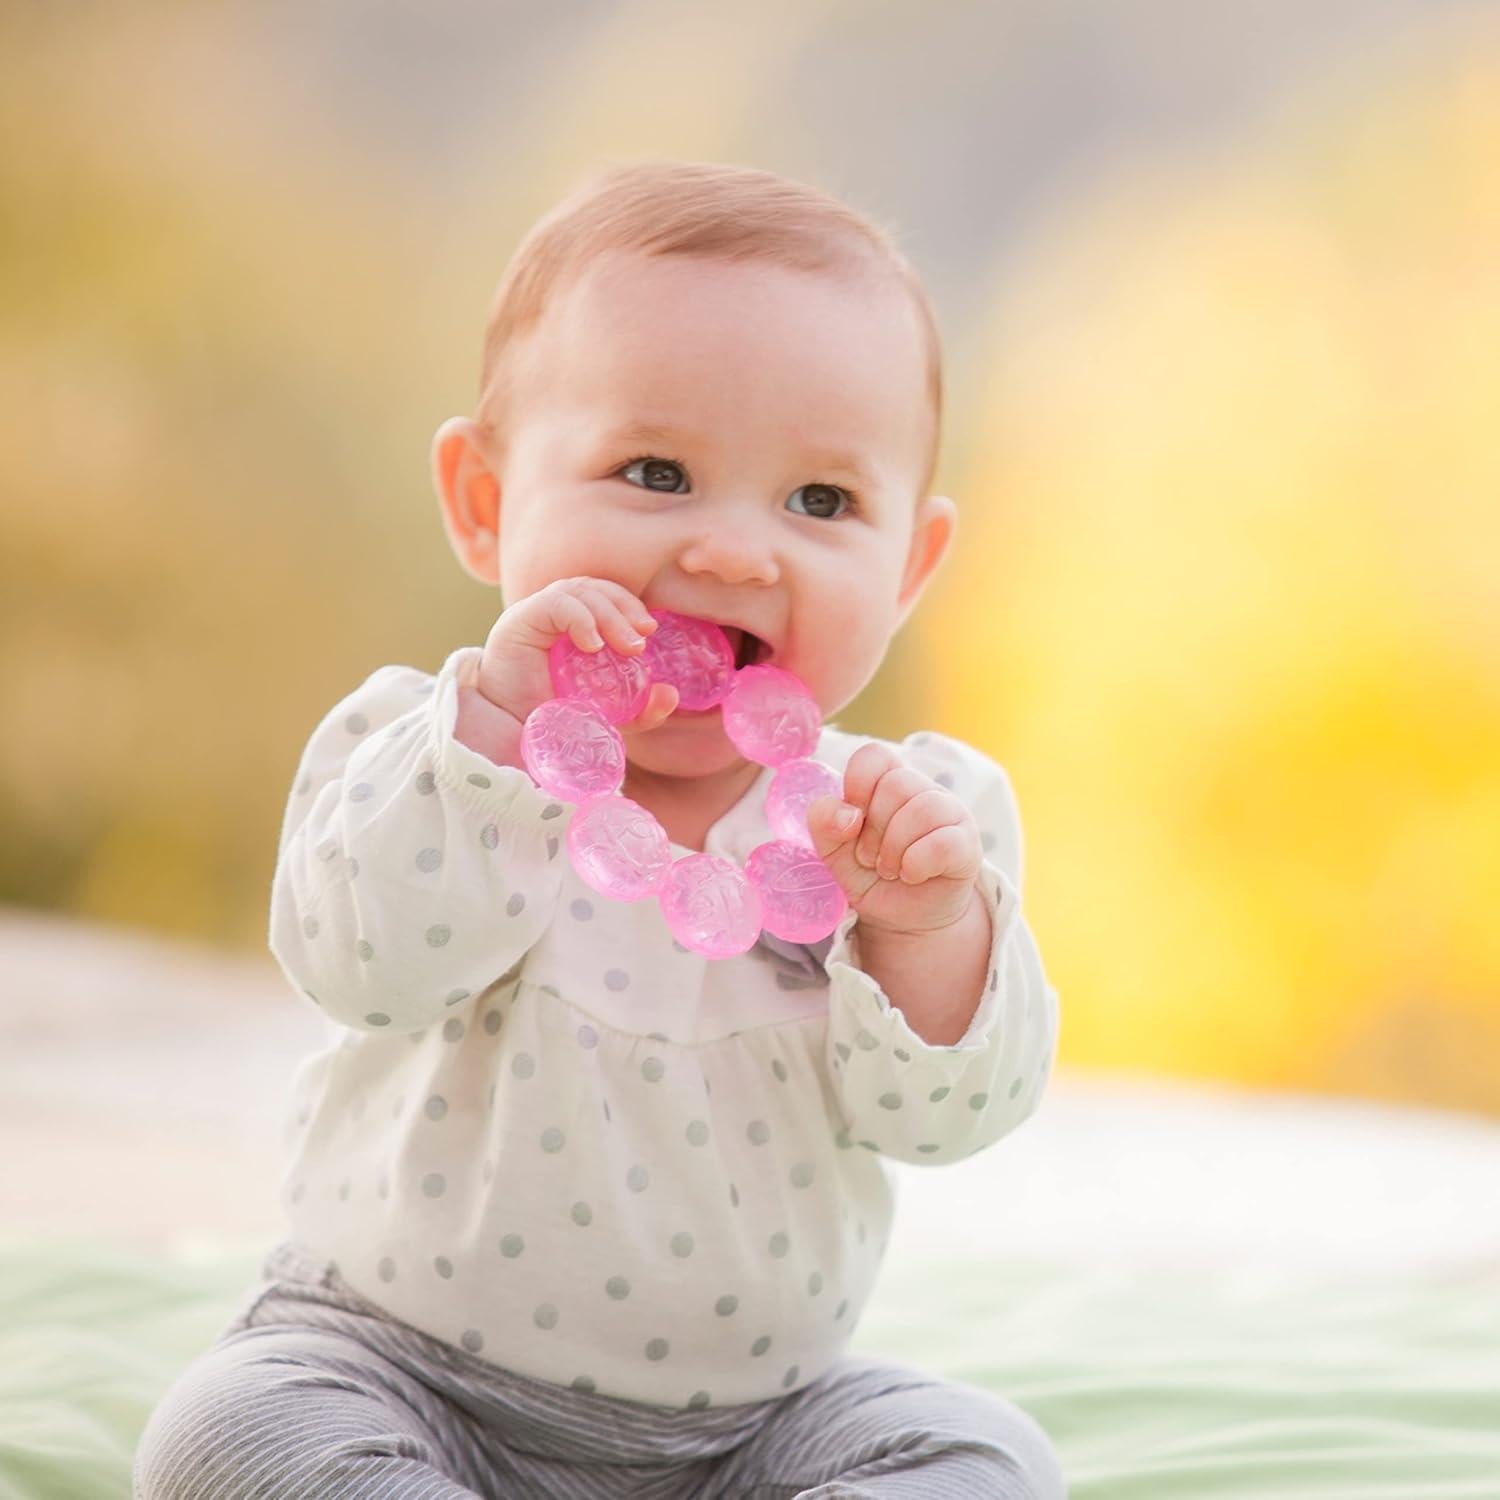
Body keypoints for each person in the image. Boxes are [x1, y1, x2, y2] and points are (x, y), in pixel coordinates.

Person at [134, 159, 1067, 1499]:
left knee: (990, 1462)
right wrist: (501, 743)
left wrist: (926, 925)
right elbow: (365, 966)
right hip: (393, 1362)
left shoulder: (906, 824)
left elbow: (947, 1119)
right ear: (482, 502)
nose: (738, 554)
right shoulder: (423, 748)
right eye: (655, 472)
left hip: (754, 1426)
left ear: (911, 567)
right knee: (226, 1432)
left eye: (820, 503)